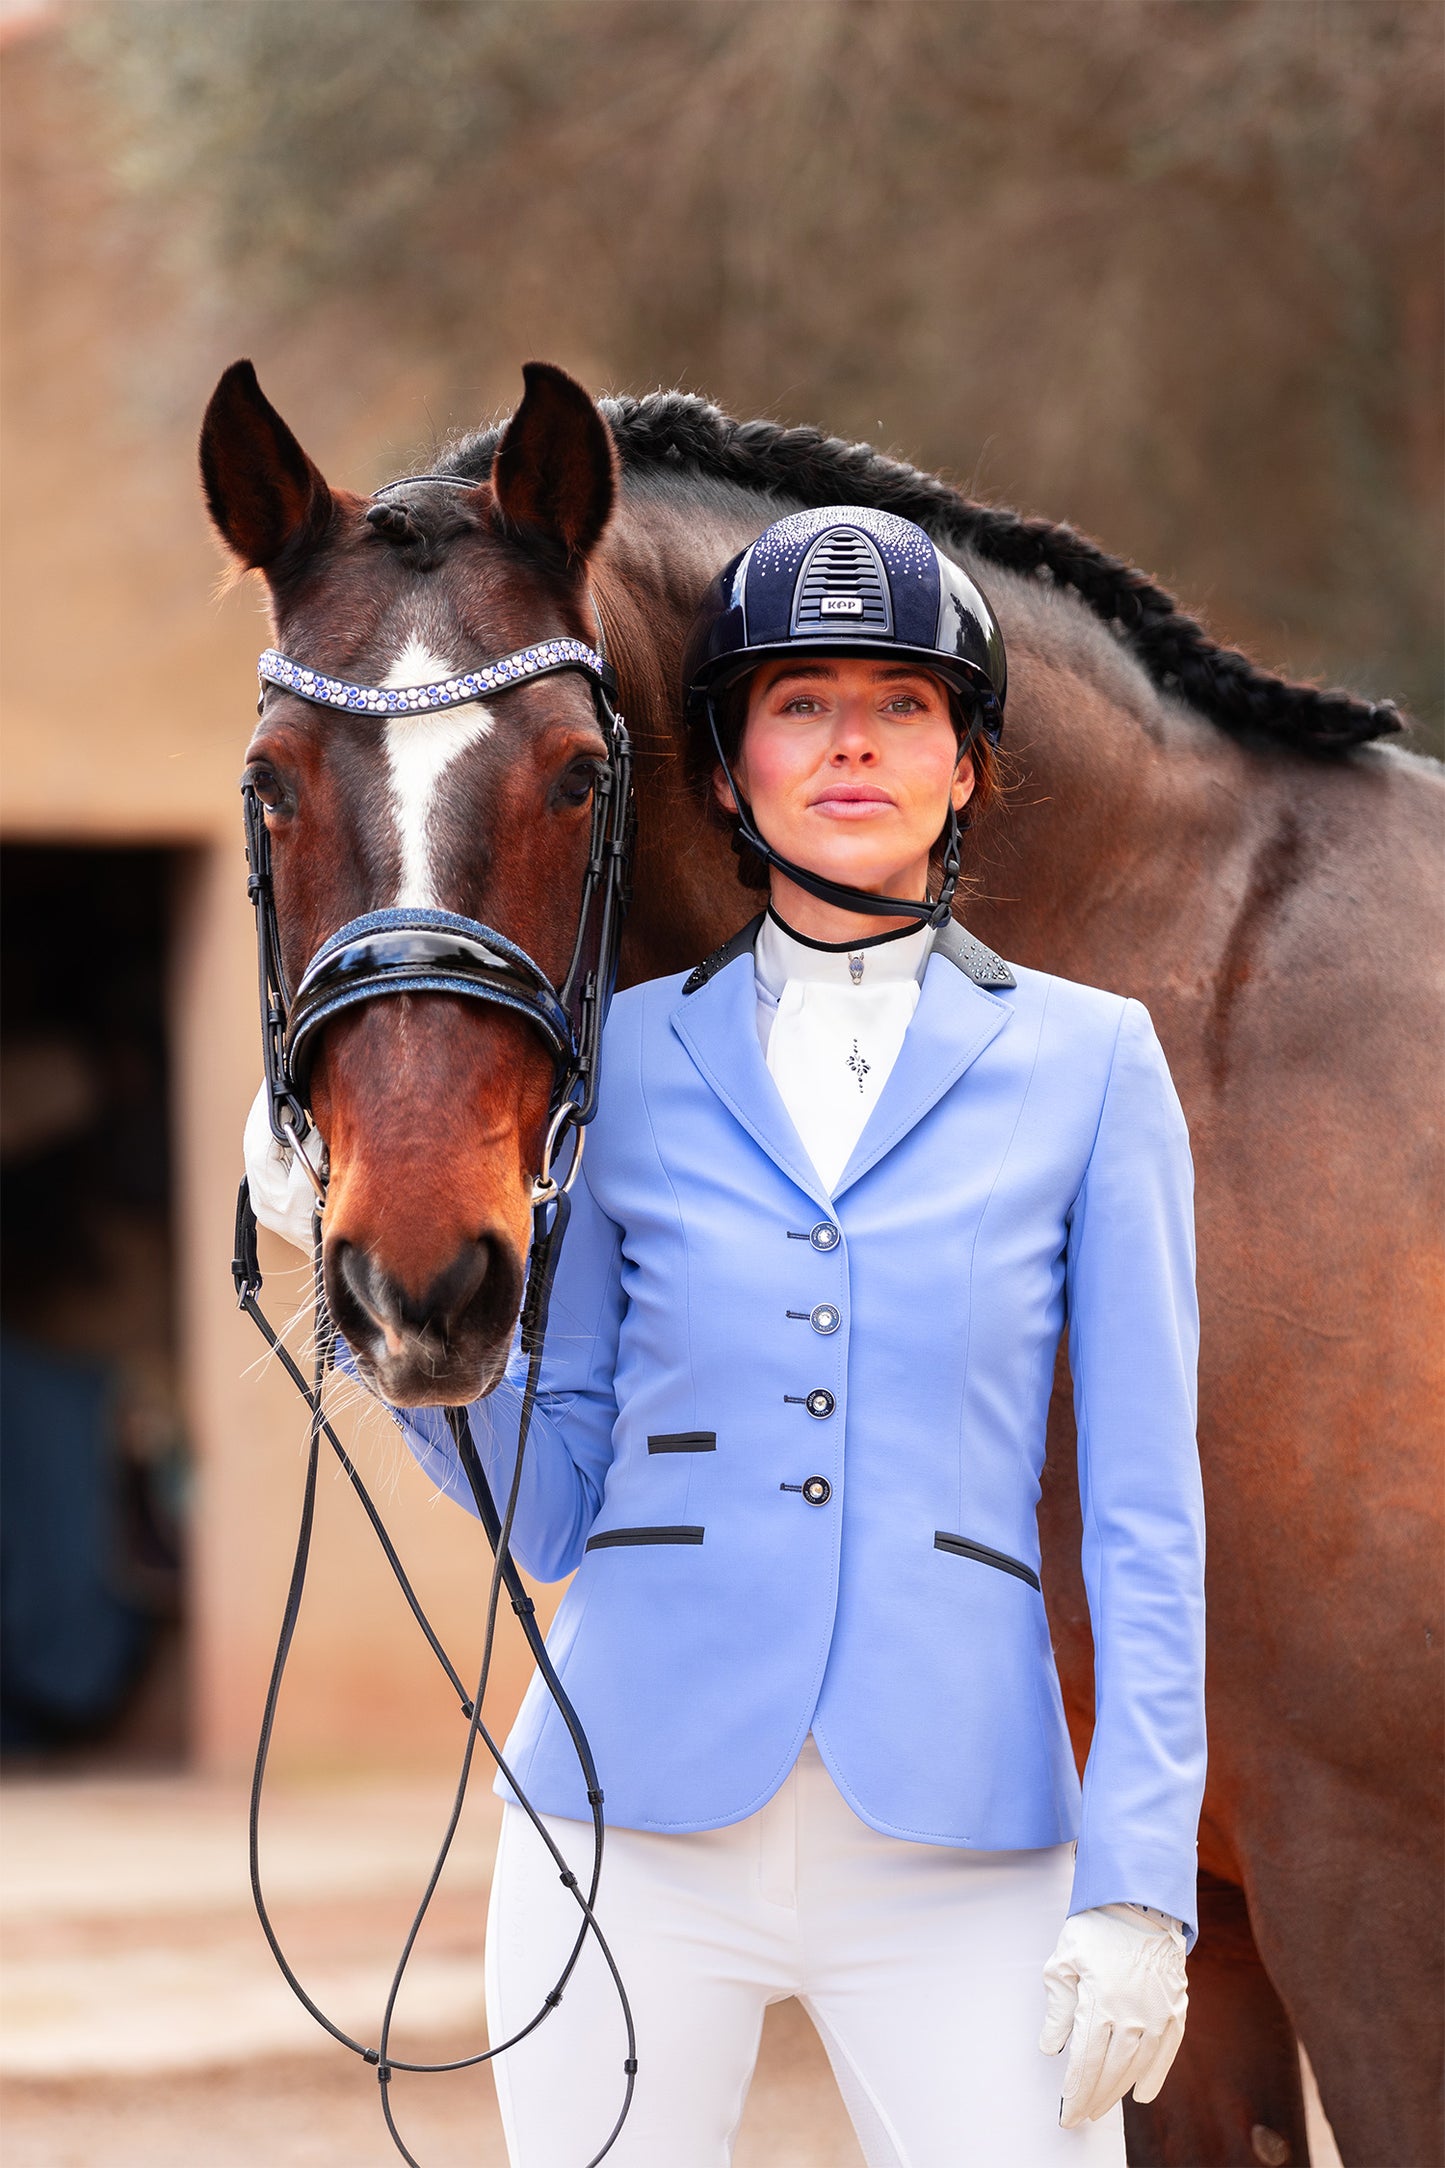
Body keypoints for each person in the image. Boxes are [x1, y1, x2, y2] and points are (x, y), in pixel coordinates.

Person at [248, 504, 1206, 2167]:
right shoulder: (616, 1065)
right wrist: (384, 1317)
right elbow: (552, 1509)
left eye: (901, 705)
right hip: (624, 1825)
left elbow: (1141, 1523)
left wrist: (1138, 1881)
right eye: (798, 703)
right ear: (719, 769)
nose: (851, 743)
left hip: (963, 1842)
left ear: (968, 767)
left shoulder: (1093, 1066)